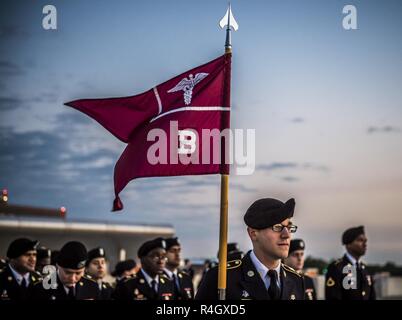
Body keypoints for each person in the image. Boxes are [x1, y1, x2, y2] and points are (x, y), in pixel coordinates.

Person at [196, 198, 305, 300]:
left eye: (289, 228)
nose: (286, 235)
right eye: (277, 227)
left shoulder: (296, 280)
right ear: (253, 233)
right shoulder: (222, 277)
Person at [33, 241, 99, 300]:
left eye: (78, 273)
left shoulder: (92, 287)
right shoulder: (41, 289)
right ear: (58, 266)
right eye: (68, 272)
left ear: (84, 269)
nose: (72, 278)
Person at [325, 226, 376, 300]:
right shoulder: (337, 268)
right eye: (360, 240)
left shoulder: (365, 270)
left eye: (365, 241)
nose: (365, 244)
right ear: (348, 244)